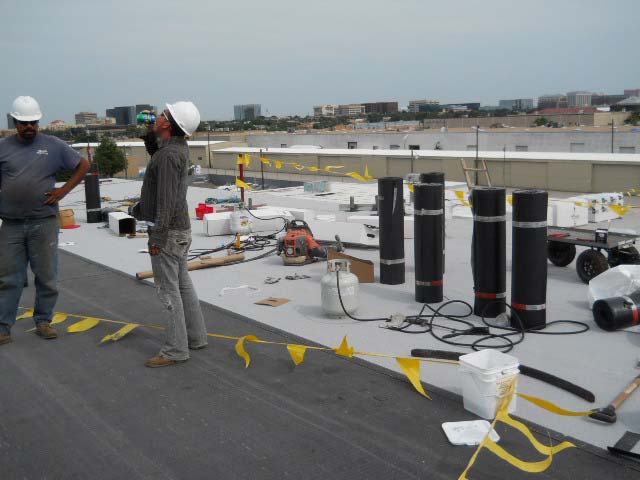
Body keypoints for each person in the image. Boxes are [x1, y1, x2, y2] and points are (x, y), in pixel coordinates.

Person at [0, 96, 90, 345]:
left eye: (33, 122)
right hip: (11, 223)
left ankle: (43, 321)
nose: (29, 127)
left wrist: (63, 191)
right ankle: (3, 327)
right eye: (24, 123)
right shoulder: (3, 147)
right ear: (15, 122)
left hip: (44, 222)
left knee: (47, 276)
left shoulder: (53, 145)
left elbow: (83, 165)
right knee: (8, 278)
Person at [132, 101, 208, 368]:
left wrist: (156, 238)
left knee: (168, 291)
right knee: (183, 284)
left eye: (163, 114)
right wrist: (151, 136)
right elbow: (161, 156)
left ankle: (176, 349)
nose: (158, 116)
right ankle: (196, 337)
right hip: (181, 229)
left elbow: (165, 200)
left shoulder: (167, 156)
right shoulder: (177, 149)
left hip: (168, 232)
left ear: (169, 123)